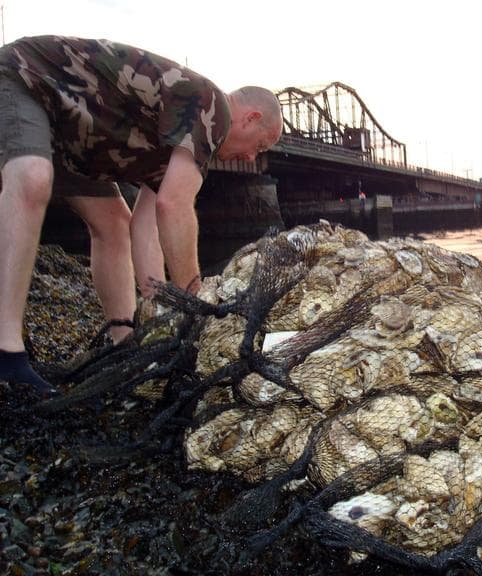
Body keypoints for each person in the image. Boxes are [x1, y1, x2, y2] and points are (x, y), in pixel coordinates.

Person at [0, 35, 283, 396]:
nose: (250, 159)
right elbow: (175, 206)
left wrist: (162, 319)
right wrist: (194, 304)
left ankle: (124, 344)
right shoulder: (212, 106)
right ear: (250, 118)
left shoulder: (185, 147)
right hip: (27, 78)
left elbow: (146, 229)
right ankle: (7, 356)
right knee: (31, 177)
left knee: (114, 223)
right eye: (259, 145)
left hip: (71, 137)